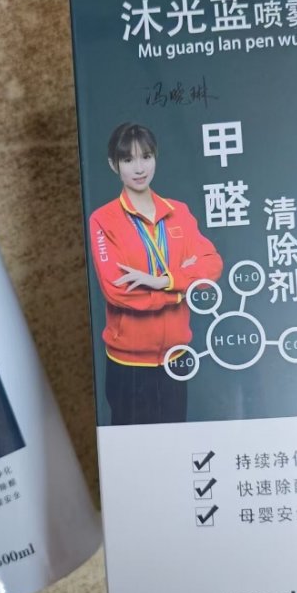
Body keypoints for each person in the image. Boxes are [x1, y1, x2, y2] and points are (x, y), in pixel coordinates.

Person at [89, 122, 223, 425]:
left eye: (146, 157)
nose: (139, 168)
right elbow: (117, 291)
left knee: (177, 443)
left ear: (155, 157)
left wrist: (163, 281)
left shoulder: (179, 211)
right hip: (129, 363)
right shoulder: (103, 220)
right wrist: (180, 292)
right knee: (133, 447)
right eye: (128, 160)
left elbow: (212, 263)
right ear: (113, 164)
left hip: (177, 357)